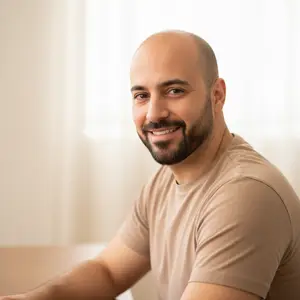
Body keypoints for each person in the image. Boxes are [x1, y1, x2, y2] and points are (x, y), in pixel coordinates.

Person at [1, 29, 300, 300]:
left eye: (174, 91)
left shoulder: (245, 194)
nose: (154, 114)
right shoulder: (165, 181)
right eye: (142, 96)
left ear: (217, 95)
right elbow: (108, 272)